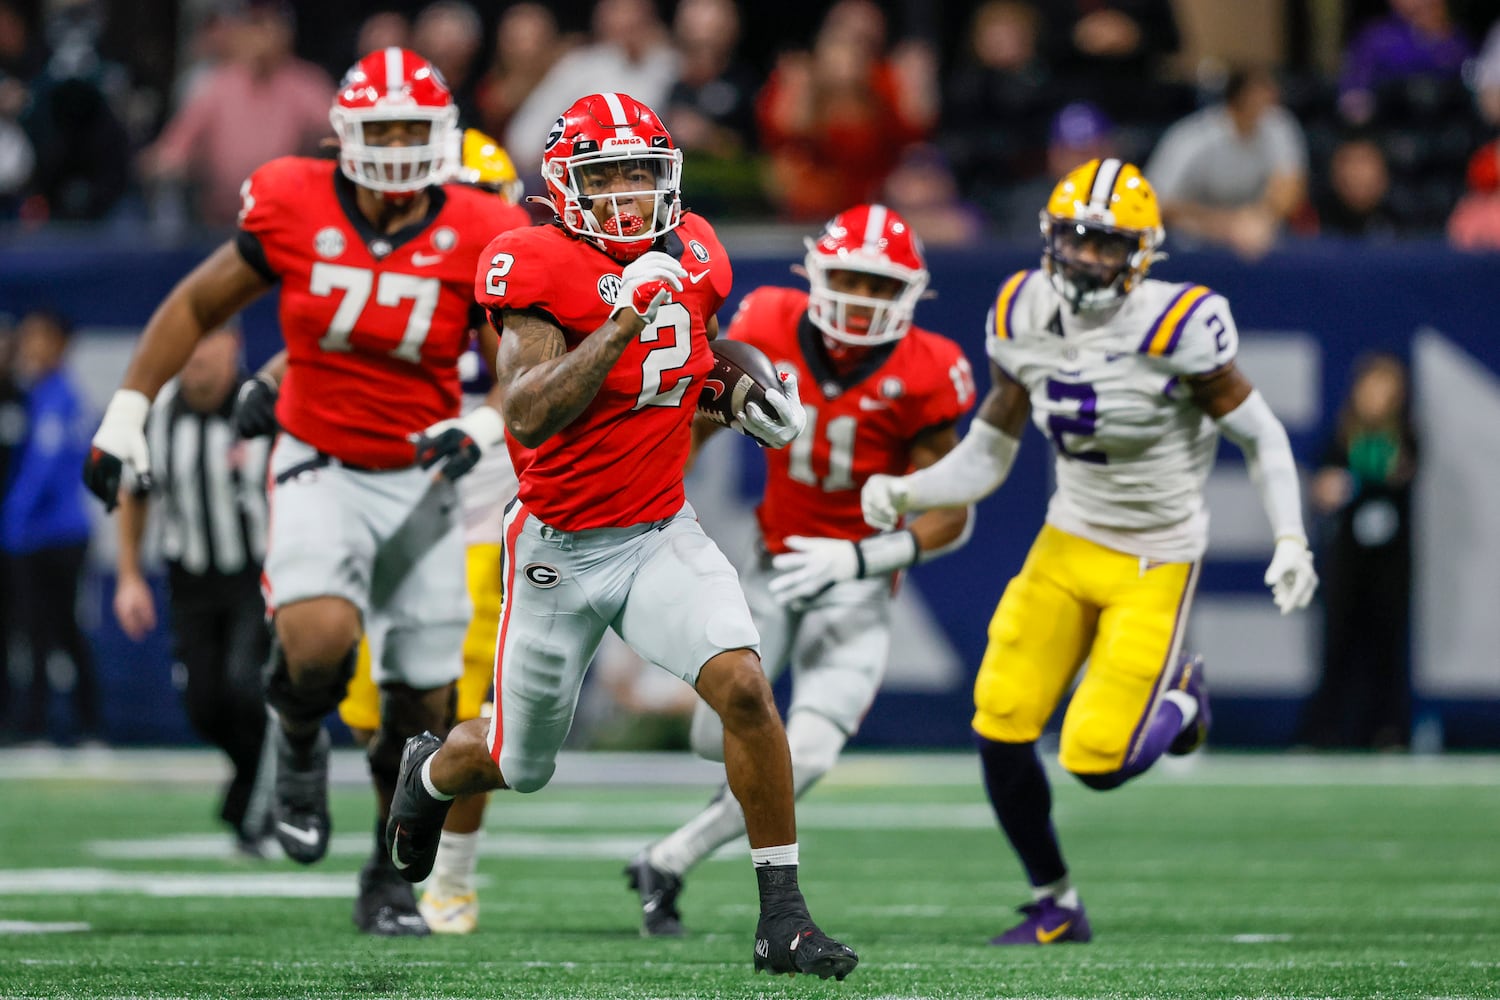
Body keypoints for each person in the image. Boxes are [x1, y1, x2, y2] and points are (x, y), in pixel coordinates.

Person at [382, 91, 858, 980]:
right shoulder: (529, 261)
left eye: (644, 173)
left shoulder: (697, 249)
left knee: (746, 688)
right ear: (567, 185)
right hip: (558, 549)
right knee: (518, 764)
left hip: (657, 534)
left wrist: (746, 389)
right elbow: (527, 412)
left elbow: (709, 354)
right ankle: (430, 773)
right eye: (610, 176)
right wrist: (623, 321)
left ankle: (782, 919)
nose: (632, 193)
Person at [82, 47, 529, 936]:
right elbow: (199, 303)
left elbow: (533, 365)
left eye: (414, 131)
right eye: (383, 130)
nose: (399, 148)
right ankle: (293, 745)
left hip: (427, 474)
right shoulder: (294, 199)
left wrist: (485, 423)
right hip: (320, 456)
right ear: (344, 138)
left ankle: (387, 876)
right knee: (318, 637)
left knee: (418, 705)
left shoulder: (482, 226)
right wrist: (128, 411)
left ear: (442, 138)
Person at [861, 158, 1320, 944]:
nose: (1085, 258)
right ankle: (1057, 903)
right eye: (1074, 239)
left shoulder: (1178, 324)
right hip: (1067, 541)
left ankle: (1184, 701)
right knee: (999, 722)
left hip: (1155, 557)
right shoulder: (1023, 308)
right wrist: (912, 492)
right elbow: (990, 453)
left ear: (1141, 254)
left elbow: (1262, 435)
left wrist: (1290, 537)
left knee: (1098, 761)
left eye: (1106, 244)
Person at [625, 203, 975, 936]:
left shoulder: (928, 368)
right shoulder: (769, 319)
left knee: (805, 753)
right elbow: (695, 415)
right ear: (814, 272)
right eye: (848, 276)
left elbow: (952, 512)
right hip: (768, 564)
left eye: (879, 285)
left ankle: (669, 859)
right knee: (709, 736)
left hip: (859, 586)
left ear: (910, 295)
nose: (859, 297)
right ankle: (668, 859)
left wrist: (859, 556)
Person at [312, 126, 524, 935]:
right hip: (384, 501)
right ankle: (395, 857)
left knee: (462, 704)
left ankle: (440, 881)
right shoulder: (383, 274)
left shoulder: (529, 289)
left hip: (485, 513)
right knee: (378, 710)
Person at [113, 326, 274, 857]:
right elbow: (135, 493)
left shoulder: (261, 403)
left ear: (232, 345)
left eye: (207, 341)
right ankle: (257, 779)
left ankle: (256, 802)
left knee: (246, 687)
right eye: (190, 342)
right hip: (191, 580)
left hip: (257, 574)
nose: (196, 355)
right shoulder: (160, 412)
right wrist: (130, 574)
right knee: (203, 705)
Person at [1298, 353, 1417, 750]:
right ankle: (1325, 732)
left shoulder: (1407, 434)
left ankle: (1387, 732)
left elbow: (1396, 470)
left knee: (1386, 646)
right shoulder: (1340, 435)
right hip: (1347, 561)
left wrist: (1349, 482)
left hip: (1390, 565)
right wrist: (1329, 488)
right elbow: (1322, 487)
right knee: (1339, 645)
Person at [3, 309, 100, 745]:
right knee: (40, 631)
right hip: (47, 531)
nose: (29, 348)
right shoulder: (39, 394)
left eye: (39, 338)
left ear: (61, 345)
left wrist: (11, 521)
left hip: (54, 534)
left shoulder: (58, 397)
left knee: (58, 629)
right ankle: (42, 723)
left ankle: (82, 724)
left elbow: (40, 472)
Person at [1144, 68, 1308, 260]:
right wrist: (1225, 224)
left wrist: (1263, 218)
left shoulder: (1278, 124)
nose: (1269, 106)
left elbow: (1291, 187)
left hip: (1255, 234)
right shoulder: (1192, 137)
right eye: (1260, 98)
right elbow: (1154, 202)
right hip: (1192, 240)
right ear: (1238, 99)